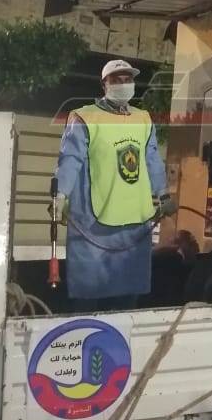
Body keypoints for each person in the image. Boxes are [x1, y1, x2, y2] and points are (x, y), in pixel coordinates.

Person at [53, 59, 171, 312]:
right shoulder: (84, 117)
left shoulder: (142, 119)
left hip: (134, 222)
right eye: (116, 80)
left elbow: (152, 158)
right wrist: (60, 196)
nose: (123, 84)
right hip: (94, 223)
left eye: (128, 79)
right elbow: (70, 159)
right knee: (89, 297)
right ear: (103, 84)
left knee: (127, 297)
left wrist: (164, 194)